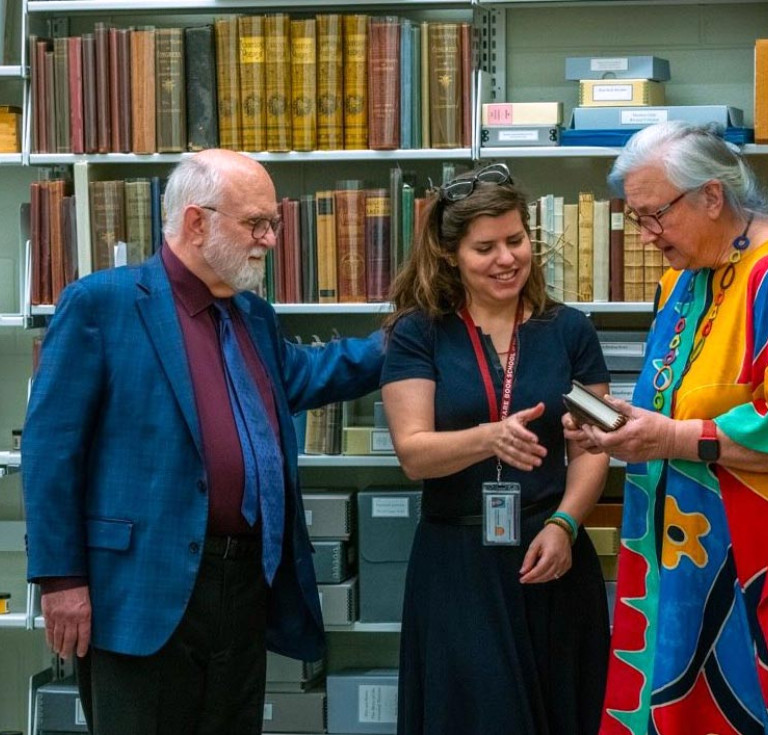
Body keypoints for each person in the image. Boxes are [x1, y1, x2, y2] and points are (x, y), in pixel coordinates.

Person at [22, 149, 384, 735]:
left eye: (273, 224)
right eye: (256, 223)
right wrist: (61, 580)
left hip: (243, 588)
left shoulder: (252, 316)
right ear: (196, 222)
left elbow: (311, 374)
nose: (270, 240)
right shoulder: (102, 304)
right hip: (139, 589)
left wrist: (407, 339)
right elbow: (51, 452)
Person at [381, 162, 611, 735]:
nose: (507, 259)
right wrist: (490, 437)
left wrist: (565, 524)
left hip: (551, 552)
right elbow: (413, 453)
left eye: (516, 240)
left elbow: (593, 446)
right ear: (450, 255)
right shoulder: (418, 332)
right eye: (485, 248)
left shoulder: (571, 330)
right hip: (457, 563)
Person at [562, 121, 768, 735]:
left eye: (655, 216)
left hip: (746, 559)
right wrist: (620, 427)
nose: (646, 235)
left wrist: (671, 438)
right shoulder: (681, 279)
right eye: (636, 218)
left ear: (712, 196)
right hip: (672, 555)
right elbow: (674, 401)